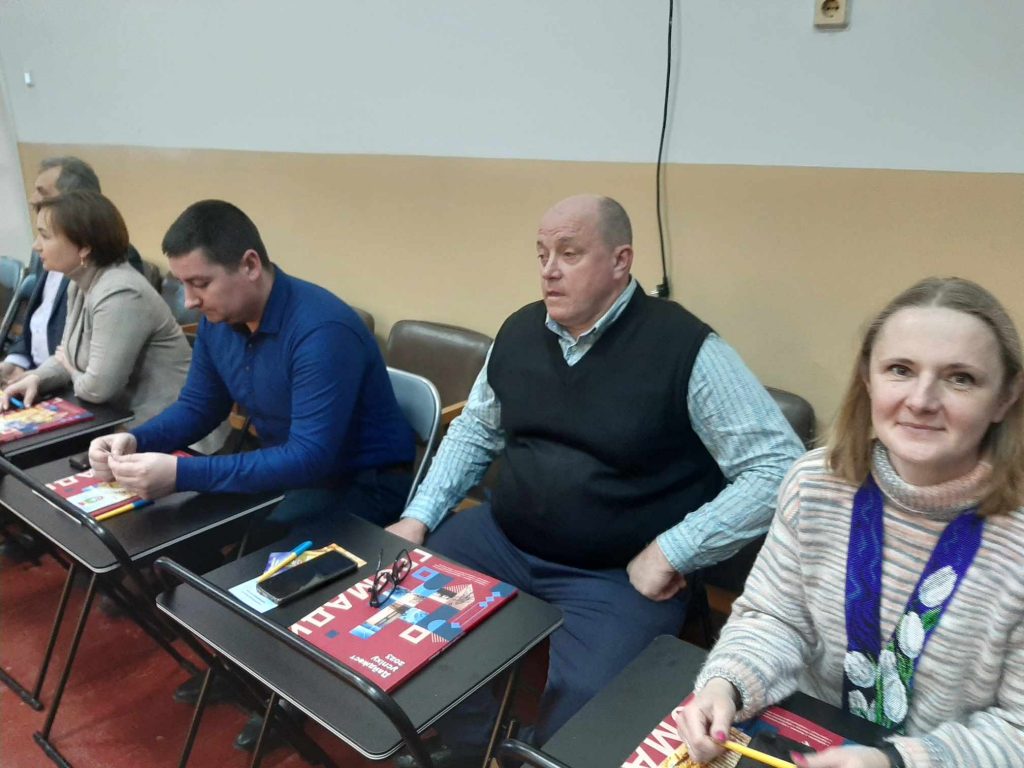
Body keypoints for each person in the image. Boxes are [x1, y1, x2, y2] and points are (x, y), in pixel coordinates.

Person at [387, 194, 804, 763]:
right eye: (541, 254)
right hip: (503, 538)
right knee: (401, 607)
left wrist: (674, 550)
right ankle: (480, 747)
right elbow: (476, 431)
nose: (548, 270)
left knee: (590, 698)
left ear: (620, 261)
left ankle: (542, 758)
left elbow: (777, 466)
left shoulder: (685, 349)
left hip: (613, 572)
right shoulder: (519, 331)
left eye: (569, 253)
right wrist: (419, 516)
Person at [676, 277, 1024, 768]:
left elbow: (1017, 728)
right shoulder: (814, 483)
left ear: (1006, 397)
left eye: (960, 378)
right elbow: (775, 617)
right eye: (900, 370)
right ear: (868, 378)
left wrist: (896, 762)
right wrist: (725, 683)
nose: (922, 400)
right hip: (805, 741)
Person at [2, 191, 190, 426]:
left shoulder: (121, 293)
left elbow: (97, 389)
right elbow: (66, 354)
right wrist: (37, 378)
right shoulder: (78, 283)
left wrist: (70, 368)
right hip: (117, 420)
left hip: (167, 428)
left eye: (45, 236)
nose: (36, 246)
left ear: (84, 247)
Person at [0, 157, 146, 385]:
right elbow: (38, 319)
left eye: (42, 193)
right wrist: (16, 360)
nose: (32, 199)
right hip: (35, 374)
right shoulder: (44, 251)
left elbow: (97, 356)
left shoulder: (115, 258)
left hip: (70, 384)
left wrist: (40, 377)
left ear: (74, 201)